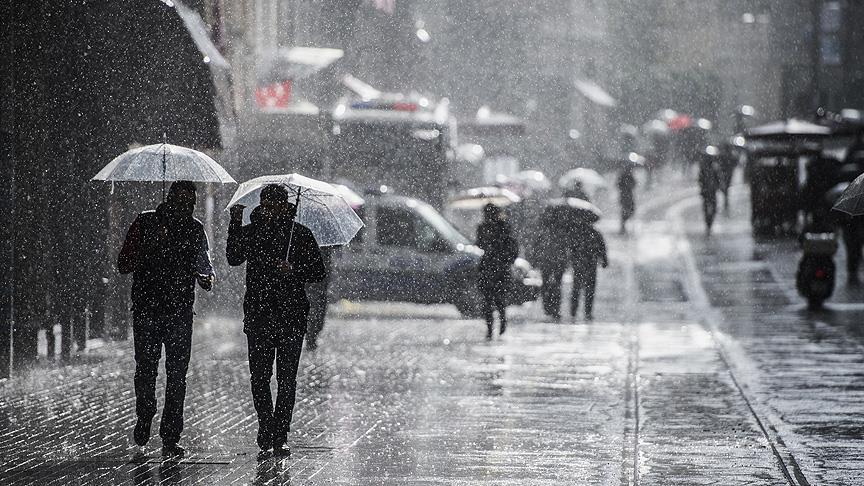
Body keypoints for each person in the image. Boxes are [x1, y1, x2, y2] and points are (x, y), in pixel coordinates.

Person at [226, 184, 326, 458]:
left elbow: (318, 271)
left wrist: (293, 269)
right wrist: (235, 223)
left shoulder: (300, 235)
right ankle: (265, 425)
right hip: (259, 314)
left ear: (285, 206)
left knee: (286, 379)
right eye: (265, 205)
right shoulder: (253, 231)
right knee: (259, 377)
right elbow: (234, 257)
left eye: (274, 206)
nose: (268, 211)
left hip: (291, 315)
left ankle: (280, 433)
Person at [117, 181, 214, 457]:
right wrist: (150, 245)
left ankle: (171, 435)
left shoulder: (195, 229)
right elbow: (123, 263)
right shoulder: (145, 223)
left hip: (180, 312)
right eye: (181, 200)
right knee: (146, 370)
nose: (186, 207)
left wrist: (206, 278)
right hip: (148, 310)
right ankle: (146, 414)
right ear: (169, 198)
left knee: (177, 376)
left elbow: (204, 265)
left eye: (190, 202)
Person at [476, 204, 519, 339]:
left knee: (498, 300)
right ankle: (490, 328)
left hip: (499, 267)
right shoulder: (483, 227)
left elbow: (511, 246)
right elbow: (479, 243)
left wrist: (504, 258)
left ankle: (501, 322)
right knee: (488, 301)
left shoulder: (503, 227)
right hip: (489, 267)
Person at [532, 205, 570, 320]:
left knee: (546, 284)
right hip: (557, 261)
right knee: (556, 285)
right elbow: (566, 246)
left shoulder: (543, 229)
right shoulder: (562, 230)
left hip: (547, 261)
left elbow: (536, 246)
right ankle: (554, 308)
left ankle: (548, 307)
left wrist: (535, 259)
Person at [569, 221, 608, 320]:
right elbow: (602, 249)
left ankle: (573, 311)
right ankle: (588, 312)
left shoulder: (576, 233)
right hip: (591, 264)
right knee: (589, 289)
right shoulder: (595, 233)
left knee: (576, 289)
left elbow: (571, 249)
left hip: (579, 265)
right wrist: (604, 260)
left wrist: (572, 259)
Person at [305, 246, 334, 350]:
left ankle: (311, 335)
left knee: (317, 313)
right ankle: (311, 335)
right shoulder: (323, 248)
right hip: (313, 287)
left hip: (318, 288)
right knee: (315, 312)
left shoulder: (325, 249)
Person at [698, 148, 721, 237]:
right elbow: (700, 180)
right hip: (707, 192)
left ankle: (709, 223)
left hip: (711, 191)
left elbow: (718, 178)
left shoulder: (714, 167)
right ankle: (708, 224)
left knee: (712, 208)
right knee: (708, 208)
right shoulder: (704, 167)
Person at [617, 165, 636, 234]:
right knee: (625, 211)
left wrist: (629, 185)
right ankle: (623, 225)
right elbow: (618, 185)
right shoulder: (622, 176)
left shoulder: (630, 176)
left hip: (629, 196)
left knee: (630, 210)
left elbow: (634, 184)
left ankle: (624, 225)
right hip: (624, 196)